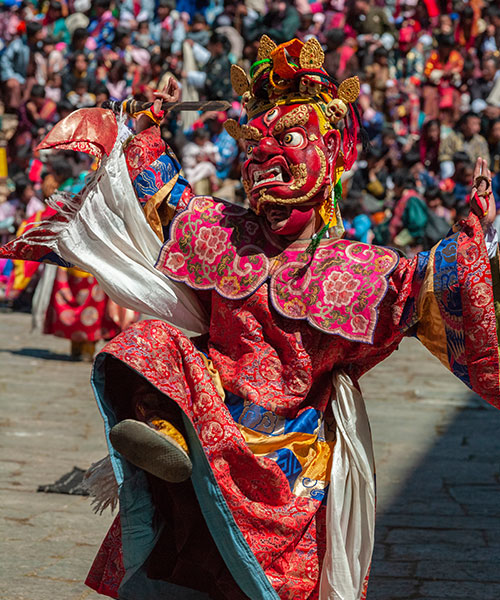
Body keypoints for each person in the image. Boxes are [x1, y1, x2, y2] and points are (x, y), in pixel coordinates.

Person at [1, 35, 499, 600]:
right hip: (204, 418)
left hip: (289, 461)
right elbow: (164, 193)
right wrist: (144, 127)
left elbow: (431, 288)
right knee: (152, 340)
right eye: (255, 147)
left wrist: (474, 245)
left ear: (332, 151)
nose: (266, 159)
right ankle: (163, 428)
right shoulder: (222, 232)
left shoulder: (359, 269)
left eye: (288, 141)